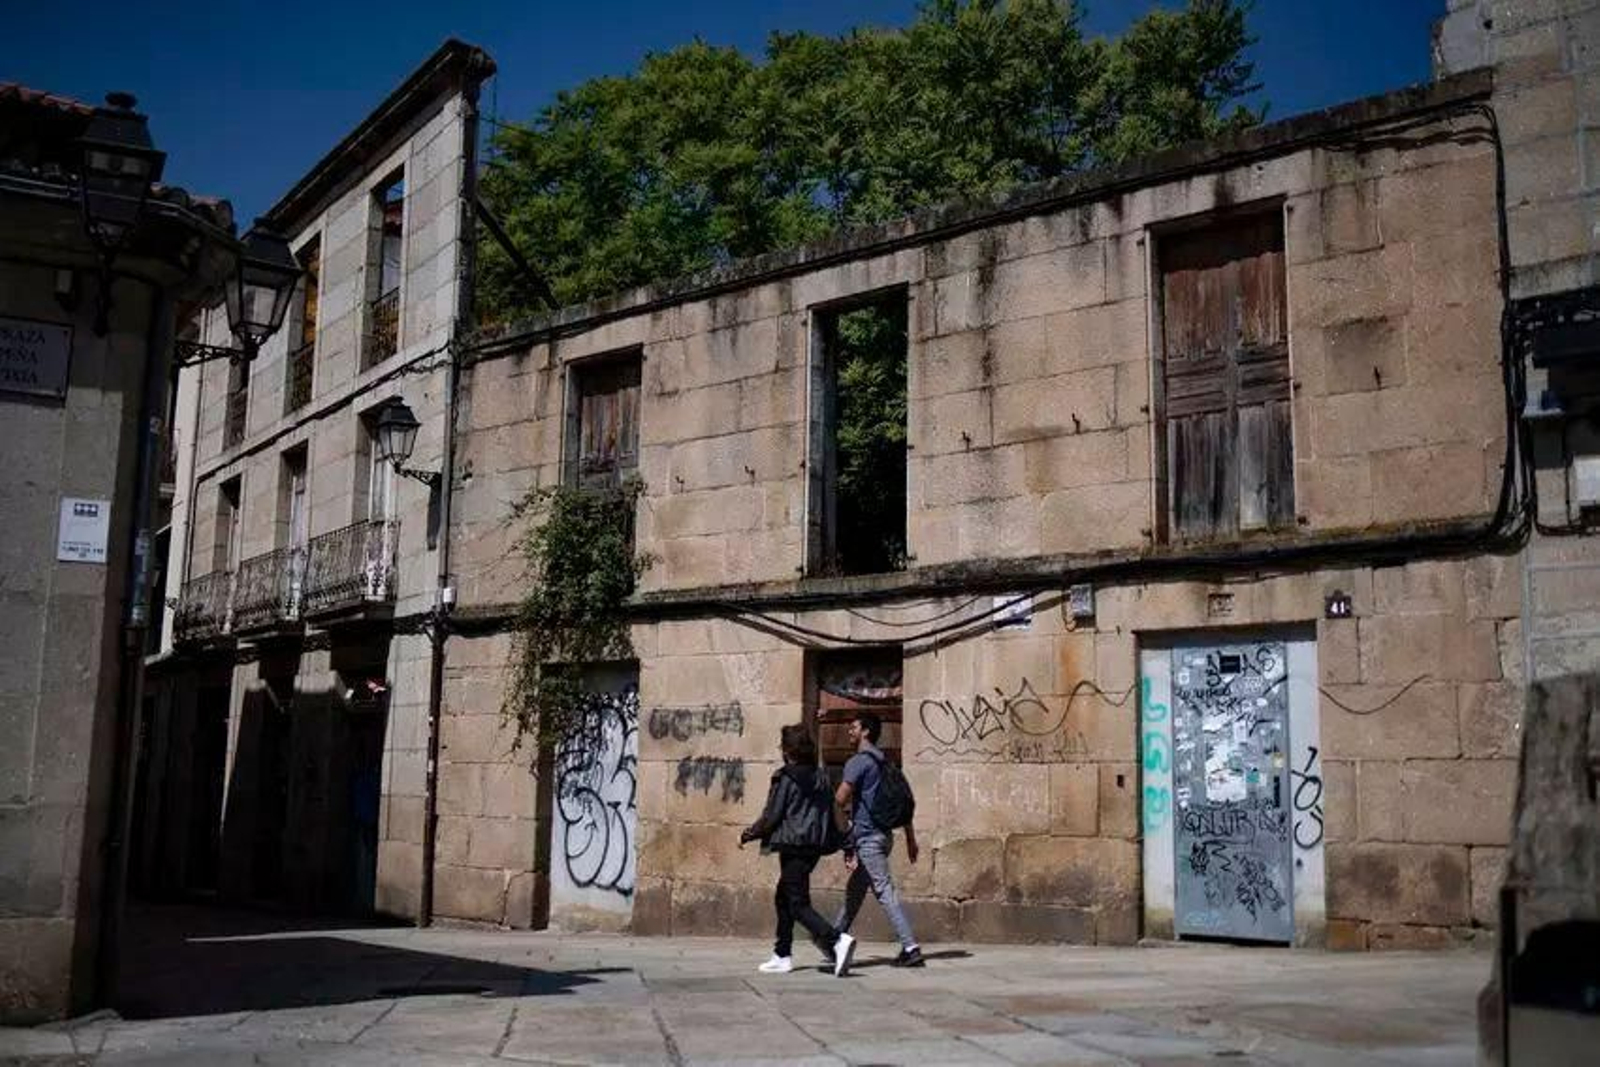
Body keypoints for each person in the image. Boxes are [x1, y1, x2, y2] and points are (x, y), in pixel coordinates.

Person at [740, 723, 857, 976]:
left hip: (792, 845)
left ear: (789, 749)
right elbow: (836, 814)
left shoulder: (785, 777)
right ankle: (782, 954)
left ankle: (835, 939)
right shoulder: (821, 777)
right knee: (783, 897)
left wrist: (749, 834)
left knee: (797, 903)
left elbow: (772, 815)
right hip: (813, 846)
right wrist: (848, 844)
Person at [833, 712, 924, 967]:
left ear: (865, 732)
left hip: (868, 838)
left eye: (853, 727)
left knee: (885, 892)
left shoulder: (858, 762)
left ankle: (911, 947)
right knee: (854, 893)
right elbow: (902, 800)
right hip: (883, 836)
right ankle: (831, 940)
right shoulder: (885, 761)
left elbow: (838, 801)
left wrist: (846, 840)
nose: (849, 731)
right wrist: (910, 839)